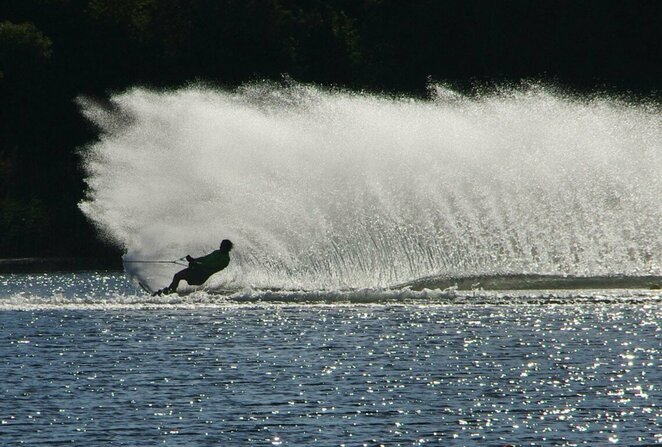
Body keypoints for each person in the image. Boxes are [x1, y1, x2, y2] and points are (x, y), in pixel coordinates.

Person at [154, 239, 233, 295]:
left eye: (222, 245)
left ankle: (170, 292)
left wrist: (196, 264)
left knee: (178, 276)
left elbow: (210, 266)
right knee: (177, 276)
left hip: (200, 277)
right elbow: (204, 259)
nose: (220, 246)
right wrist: (193, 260)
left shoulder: (225, 260)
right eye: (220, 244)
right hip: (196, 271)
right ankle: (170, 291)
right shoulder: (217, 252)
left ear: (227, 248)